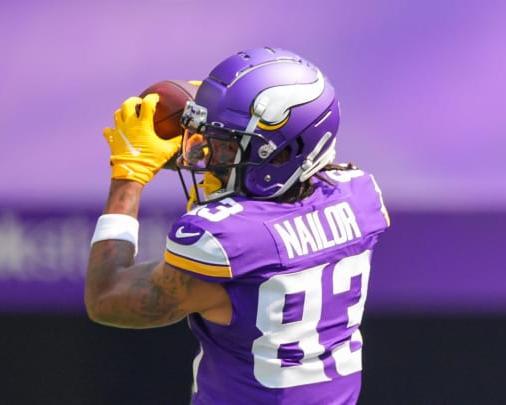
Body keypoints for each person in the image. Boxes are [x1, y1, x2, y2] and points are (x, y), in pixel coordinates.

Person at [85, 47, 390, 404]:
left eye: (228, 147)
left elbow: (106, 297)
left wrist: (128, 177)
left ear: (280, 155)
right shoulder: (359, 197)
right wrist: (224, 113)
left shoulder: (226, 242)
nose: (208, 157)